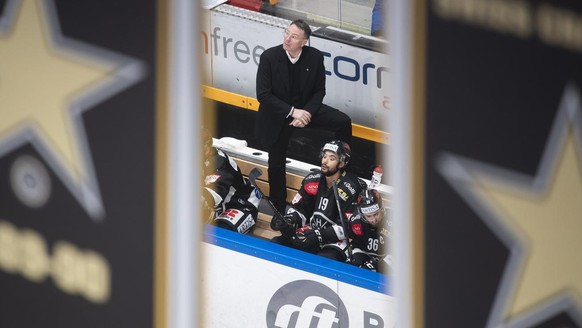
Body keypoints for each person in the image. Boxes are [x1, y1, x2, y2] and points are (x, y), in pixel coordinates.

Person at [255, 19, 352, 214]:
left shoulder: (314, 57)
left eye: (293, 36)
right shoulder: (269, 57)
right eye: (286, 33)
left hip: (306, 110)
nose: (287, 39)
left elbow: (319, 91)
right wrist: (292, 111)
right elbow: (263, 95)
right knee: (276, 157)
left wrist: (305, 112)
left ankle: (342, 174)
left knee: (343, 122)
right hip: (279, 114)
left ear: (304, 41)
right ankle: (278, 206)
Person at [271, 140, 365, 262]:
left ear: (342, 163)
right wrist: (288, 220)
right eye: (324, 156)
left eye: (332, 158)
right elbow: (300, 208)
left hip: (338, 241)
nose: (325, 161)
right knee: (276, 244)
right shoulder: (312, 179)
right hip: (312, 233)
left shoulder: (352, 188)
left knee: (323, 260)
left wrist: (321, 235)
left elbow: (349, 227)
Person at [202, 129, 261, 234]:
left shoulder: (220, 162)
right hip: (218, 205)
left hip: (240, 204)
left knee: (221, 233)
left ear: (206, 147)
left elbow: (213, 194)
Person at [349, 188, 392, 273]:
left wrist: (375, 266)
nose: (373, 220)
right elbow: (356, 246)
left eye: (376, 214)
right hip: (367, 257)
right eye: (368, 216)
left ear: (382, 209)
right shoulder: (355, 222)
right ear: (362, 214)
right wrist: (357, 261)